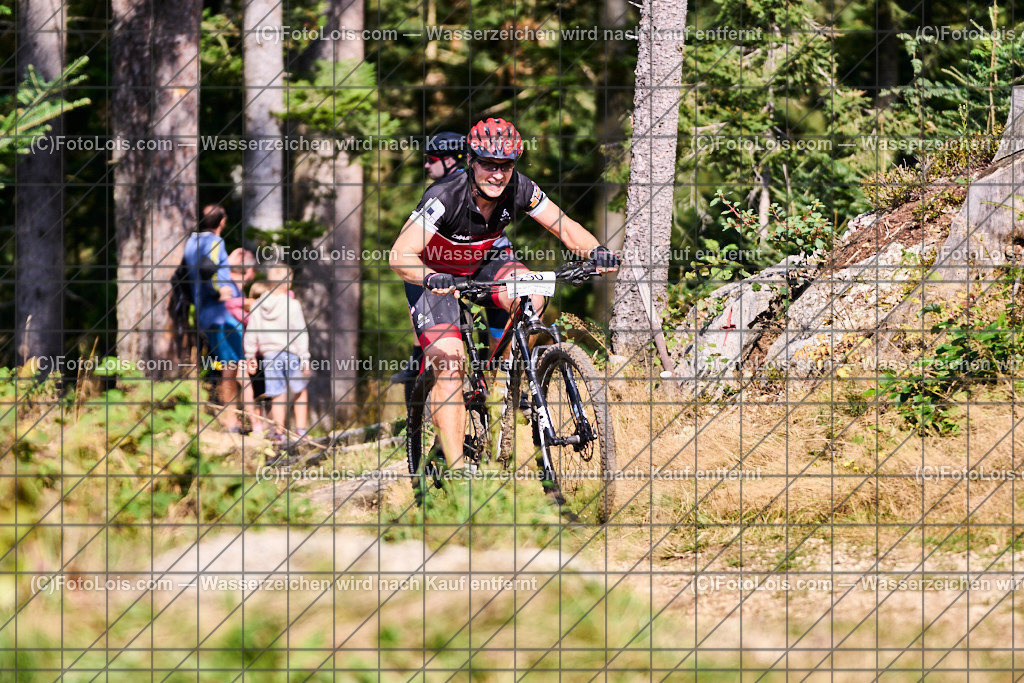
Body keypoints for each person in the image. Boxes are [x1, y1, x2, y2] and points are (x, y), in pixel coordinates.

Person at [389, 117, 620, 471]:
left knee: (533, 293)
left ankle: (501, 382)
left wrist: (596, 252)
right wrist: (430, 277)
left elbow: (565, 227)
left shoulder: (519, 188)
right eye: (488, 164)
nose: (497, 175)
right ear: (471, 161)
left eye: (506, 166)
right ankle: (459, 474)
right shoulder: (444, 196)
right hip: (433, 276)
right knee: (450, 364)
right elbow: (399, 255)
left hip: (481, 264)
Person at [391, 131, 473, 385]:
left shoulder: (445, 190)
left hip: (462, 264)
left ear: (450, 160)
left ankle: (417, 357)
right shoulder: (454, 186)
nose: (426, 165)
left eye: (431, 159)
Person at [182, 205, 245, 432]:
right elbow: (208, 267)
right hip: (220, 314)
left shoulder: (191, 242)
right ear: (222, 222)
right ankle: (230, 421)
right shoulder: (215, 242)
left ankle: (221, 417)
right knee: (230, 367)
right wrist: (219, 290)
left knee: (217, 366)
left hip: (203, 313)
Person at [244, 264, 311, 442]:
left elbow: (251, 331)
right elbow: (300, 333)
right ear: (288, 283)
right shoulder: (293, 305)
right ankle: (301, 431)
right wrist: (305, 358)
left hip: (270, 355)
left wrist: (250, 355)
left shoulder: (258, 305)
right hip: (291, 353)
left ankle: (279, 433)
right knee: (300, 391)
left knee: (277, 394)